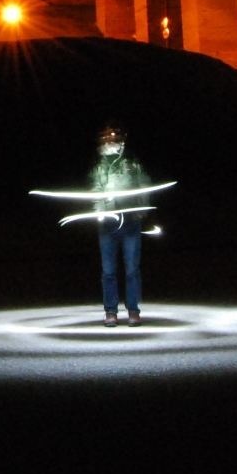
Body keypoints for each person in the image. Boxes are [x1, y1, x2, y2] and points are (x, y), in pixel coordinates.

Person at [91, 122, 150, 327]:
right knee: (108, 271)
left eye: (113, 136)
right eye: (106, 136)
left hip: (131, 221)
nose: (110, 140)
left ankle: (133, 310)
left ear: (121, 138)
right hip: (107, 224)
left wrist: (142, 208)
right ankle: (111, 311)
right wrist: (100, 211)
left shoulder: (132, 163)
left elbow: (143, 184)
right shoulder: (99, 166)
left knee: (132, 269)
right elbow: (96, 190)